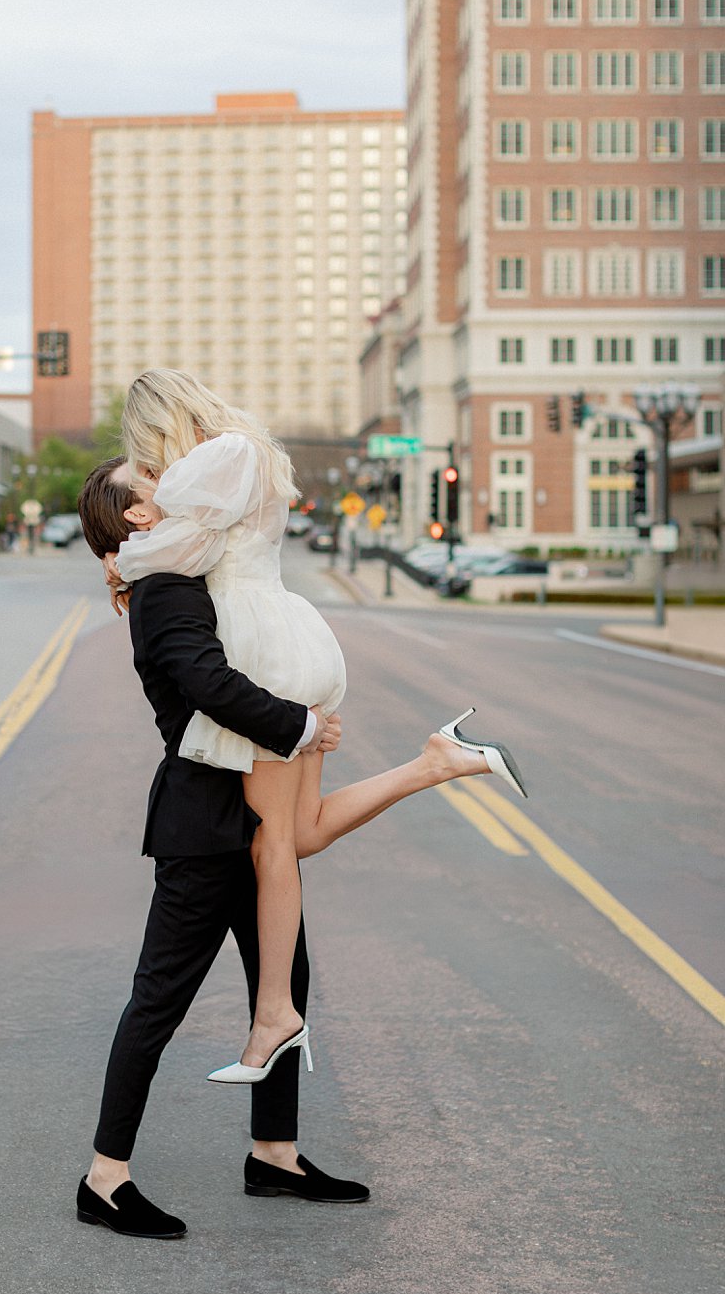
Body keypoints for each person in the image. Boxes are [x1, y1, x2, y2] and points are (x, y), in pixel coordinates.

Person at [74, 458, 515, 1239]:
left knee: (285, 981)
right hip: (205, 824)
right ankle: (105, 1180)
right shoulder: (163, 589)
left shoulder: (185, 568)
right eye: (149, 478)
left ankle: (274, 1154)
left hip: (254, 804)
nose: (169, 479)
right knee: (160, 999)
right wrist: (302, 724)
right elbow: (210, 682)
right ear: (138, 518)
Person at [107, 370, 527, 1085]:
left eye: (148, 451)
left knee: (274, 843)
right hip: (289, 638)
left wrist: (132, 552)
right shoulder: (254, 453)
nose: (152, 470)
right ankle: (439, 760)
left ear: (164, 424)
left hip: (261, 651)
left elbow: (177, 520)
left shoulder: (220, 458)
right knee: (297, 831)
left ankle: (275, 1014)